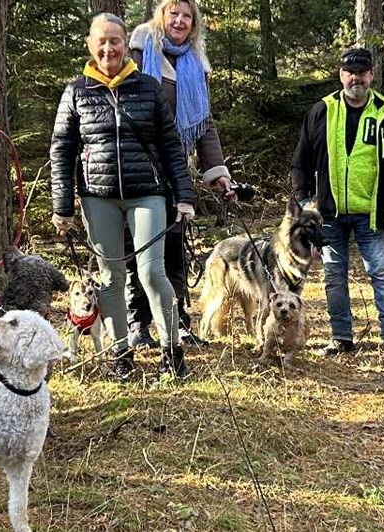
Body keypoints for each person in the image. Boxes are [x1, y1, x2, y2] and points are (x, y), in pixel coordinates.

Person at [49, 13, 197, 378]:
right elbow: (62, 149)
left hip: (147, 193)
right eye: (101, 41)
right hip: (97, 195)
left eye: (114, 41)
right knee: (111, 277)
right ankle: (120, 354)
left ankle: (171, 351)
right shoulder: (76, 91)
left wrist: (184, 196)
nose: (108, 48)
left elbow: (170, 146)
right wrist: (62, 206)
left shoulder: (148, 87)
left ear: (125, 44)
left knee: (151, 272)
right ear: (90, 45)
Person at [121, 0, 240, 349]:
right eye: (173, 13)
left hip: (176, 169)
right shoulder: (138, 52)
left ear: (194, 23)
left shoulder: (195, 63)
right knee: (137, 248)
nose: (180, 20)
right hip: (138, 166)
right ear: (161, 15)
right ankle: (138, 324)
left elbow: (203, 121)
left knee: (174, 247)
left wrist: (217, 170)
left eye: (187, 15)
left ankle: (177, 324)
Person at [291, 47, 384, 358]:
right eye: (350, 72)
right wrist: (304, 200)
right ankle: (342, 338)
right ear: (341, 75)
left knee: (381, 273)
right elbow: (301, 160)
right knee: (334, 275)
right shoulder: (322, 111)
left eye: (362, 72)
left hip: (372, 213)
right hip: (329, 214)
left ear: (371, 75)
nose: (355, 78)